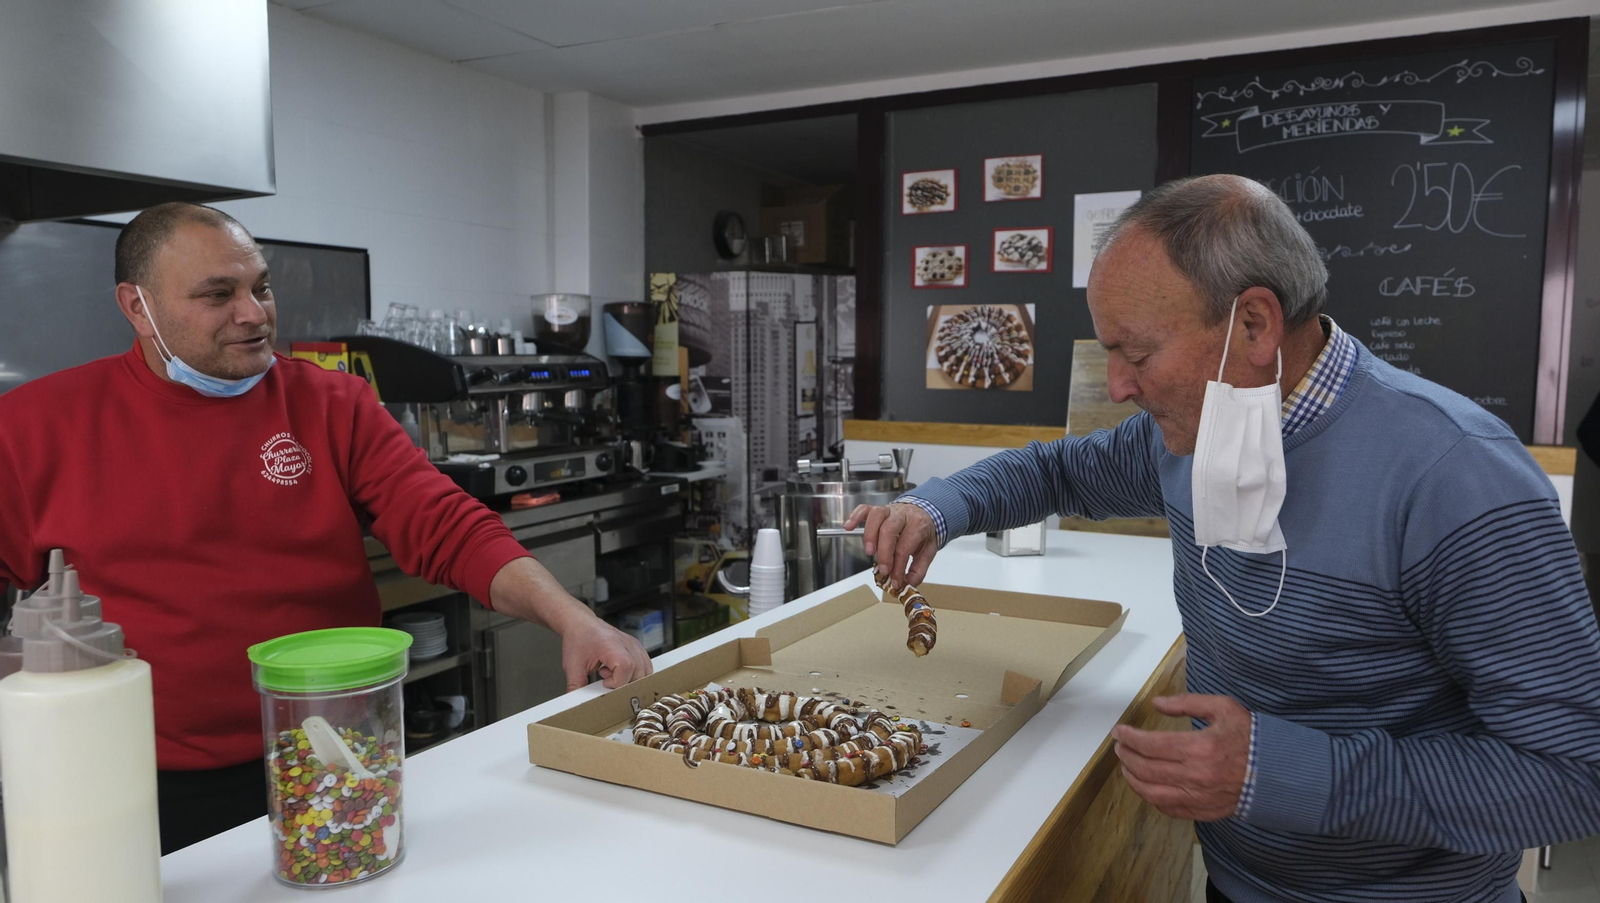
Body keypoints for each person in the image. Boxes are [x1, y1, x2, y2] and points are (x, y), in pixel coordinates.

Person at [848, 175, 1600, 903]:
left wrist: (1279, 772)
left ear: (1255, 324)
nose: (1116, 387)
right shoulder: (1192, 435)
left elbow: (1576, 776)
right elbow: (1056, 473)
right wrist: (937, 506)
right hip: (1236, 879)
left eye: (1137, 355)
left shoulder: (1457, 478)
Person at [0, 202, 651, 853]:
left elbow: (449, 526)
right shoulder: (34, 428)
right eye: (218, 294)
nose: (254, 313)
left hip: (338, 757)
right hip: (144, 786)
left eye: (261, 285)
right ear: (137, 307)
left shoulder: (330, 403)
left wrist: (573, 617)